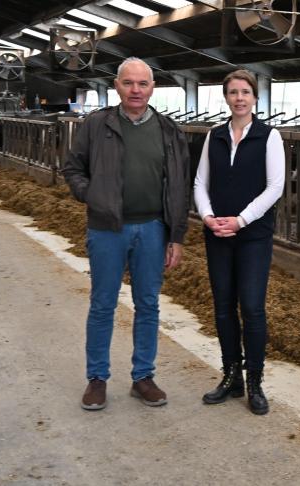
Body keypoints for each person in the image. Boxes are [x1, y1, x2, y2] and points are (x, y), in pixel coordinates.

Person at [62, 57, 191, 411]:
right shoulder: (96, 124)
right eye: (129, 83)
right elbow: (72, 167)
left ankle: (143, 377)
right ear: (116, 86)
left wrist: (176, 235)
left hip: (153, 228)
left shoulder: (168, 130)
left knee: (147, 304)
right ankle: (97, 379)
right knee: (103, 303)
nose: (136, 90)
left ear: (153, 88)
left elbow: (179, 185)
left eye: (143, 84)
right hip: (107, 228)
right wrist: (91, 195)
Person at [193, 69, 284, 415]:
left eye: (245, 92)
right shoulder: (214, 136)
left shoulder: (268, 137)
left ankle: (255, 381)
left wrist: (241, 219)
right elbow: (200, 181)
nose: (239, 98)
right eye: (233, 92)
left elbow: (274, 187)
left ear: (255, 97)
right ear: (226, 97)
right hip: (216, 233)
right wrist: (207, 216)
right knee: (222, 307)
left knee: (252, 307)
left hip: (253, 236)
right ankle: (231, 376)